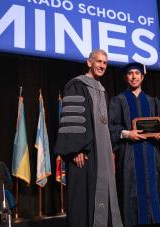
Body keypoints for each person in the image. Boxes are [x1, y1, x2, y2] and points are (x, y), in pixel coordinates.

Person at [54, 49, 123, 227]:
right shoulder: (77, 84)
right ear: (89, 62)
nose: (102, 66)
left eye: (105, 63)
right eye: (98, 61)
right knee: (83, 196)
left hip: (102, 153)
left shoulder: (101, 89)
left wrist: (110, 150)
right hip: (85, 152)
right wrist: (76, 148)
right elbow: (74, 119)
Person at [108, 62, 160, 227]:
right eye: (130, 73)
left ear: (142, 77)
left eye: (137, 73)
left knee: (153, 187)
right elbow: (111, 126)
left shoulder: (153, 101)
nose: (134, 76)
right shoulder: (118, 100)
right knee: (131, 190)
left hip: (151, 152)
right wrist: (128, 133)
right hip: (129, 153)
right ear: (125, 77)